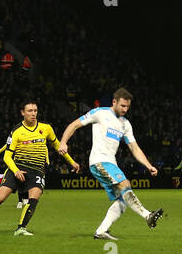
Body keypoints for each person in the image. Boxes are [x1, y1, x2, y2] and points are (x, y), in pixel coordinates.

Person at [56, 87, 164, 241]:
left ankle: (101, 232)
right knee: (125, 184)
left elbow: (134, 147)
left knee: (122, 200)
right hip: (99, 161)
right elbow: (74, 125)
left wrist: (148, 165)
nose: (125, 109)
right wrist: (63, 142)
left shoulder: (125, 124)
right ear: (114, 102)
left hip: (111, 163)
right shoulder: (99, 113)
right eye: (122, 106)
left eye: (128, 107)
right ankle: (147, 215)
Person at [0, 102, 79, 237]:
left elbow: (57, 145)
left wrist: (72, 162)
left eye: (35, 110)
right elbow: (7, 156)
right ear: (23, 113)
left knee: (35, 196)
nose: (33, 113)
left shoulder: (46, 128)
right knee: (0, 199)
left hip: (37, 169)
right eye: (30, 111)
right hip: (18, 167)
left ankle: (21, 228)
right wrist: (16, 171)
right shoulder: (16, 131)